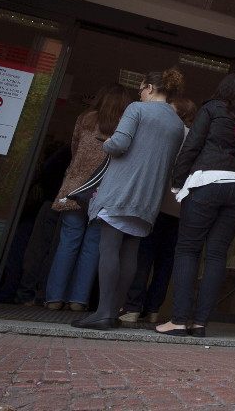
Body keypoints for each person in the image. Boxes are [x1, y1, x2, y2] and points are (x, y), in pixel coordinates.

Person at [71, 69, 186, 330]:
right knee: (130, 253)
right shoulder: (177, 124)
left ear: (150, 88)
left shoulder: (137, 109)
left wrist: (107, 141)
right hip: (149, 197)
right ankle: (114, 311)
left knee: (109, 248)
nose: (139, 94)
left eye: (141, 89)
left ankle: (103, 312)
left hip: (122, 189)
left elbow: (119, 145)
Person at [155, 73, 235, 337]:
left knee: (188, 249)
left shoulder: (212, 108)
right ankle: (200, 323)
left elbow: (192, 146)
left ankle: (178, 321)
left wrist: (177, 183)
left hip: (207, 182)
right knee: (217, 254)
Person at [45, 84, 129, 312]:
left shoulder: (86, 118)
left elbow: (74, 150)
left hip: (76, 187)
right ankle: (78, 300)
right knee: (93, 246)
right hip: (103, 192)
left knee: (68, 242)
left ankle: (54, 298)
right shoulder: (125, 125)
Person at [120, 97, 198, 324]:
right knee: (166, 260)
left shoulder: (170, 132)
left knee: (143, 255)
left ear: (179, 113)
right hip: (181, 208)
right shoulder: (195, 138)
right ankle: (154, 308)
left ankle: (133, 307)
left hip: (157, 203)